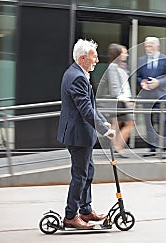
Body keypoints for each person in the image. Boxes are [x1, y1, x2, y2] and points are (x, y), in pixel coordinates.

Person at [57, 39, 115, 229]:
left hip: (80, 133)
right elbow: (85, 110)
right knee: (80, 175)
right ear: (83, 58)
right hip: (77, 135)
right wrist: (105, 129)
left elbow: (91, 106)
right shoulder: (77, 77)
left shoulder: (77, 73)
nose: (97, 60)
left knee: (87, 172)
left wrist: (102, 120)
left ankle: (85, 210)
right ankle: (70, 216)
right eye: (94, 56)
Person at [137, 37, 166, 156]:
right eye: (146, 46)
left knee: (162, 121)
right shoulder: (142, 60)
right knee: (149, 122)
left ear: (157, 46)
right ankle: (152, 148)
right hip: (147, 96)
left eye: (150, 46)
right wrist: (141, 82)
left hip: (161, 96)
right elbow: (138, 76)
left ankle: (163, 148)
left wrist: (158, 82)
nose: (148, 48)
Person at [102, 43, 135, 157]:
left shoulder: (122, 66)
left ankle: (116, 146)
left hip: (123, 100)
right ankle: (118, 146)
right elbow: (115, 88)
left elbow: (125, 86)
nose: (127, 54)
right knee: (129, 123)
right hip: (119, 101)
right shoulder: (113, 67)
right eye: (124, 52)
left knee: (117, 123)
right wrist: (127, 101)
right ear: (117, 54)